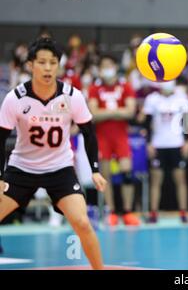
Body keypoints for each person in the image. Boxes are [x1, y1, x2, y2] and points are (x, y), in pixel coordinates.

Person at [0, 37, 107, 269]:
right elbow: (0, 139)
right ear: (31, 65)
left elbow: (89, 133)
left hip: (60, 169)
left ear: (58, 64)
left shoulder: (72, 96)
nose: (48, 68)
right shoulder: (15, 99)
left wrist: (95, 170)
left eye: (52, 62)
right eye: (42, 62)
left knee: (82, 223)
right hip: (22, 168)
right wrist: (0, 176)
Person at [88, 55, 140, 226]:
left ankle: (127, 211)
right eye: (104, 66)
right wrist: (118, 111)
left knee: (126, 173)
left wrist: (107, 112)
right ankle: (111, 211)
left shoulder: (125, 86)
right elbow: (93, 114)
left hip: (120, 136)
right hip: (102, 137)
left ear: (115, 67)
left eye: (110, 65)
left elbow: (130, 111)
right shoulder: (95, 88)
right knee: (105, 175)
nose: (107, 69)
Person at [140, 81, 188, 223]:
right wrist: (149, 143)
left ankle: (183, 212)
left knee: (180, 179)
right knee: (156, 180)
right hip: (158, 144)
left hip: (177, 143)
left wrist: (187, 141)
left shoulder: (182, 97)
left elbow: (187, 121)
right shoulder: (152, 99)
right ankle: (154, 213)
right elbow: (147, 123)